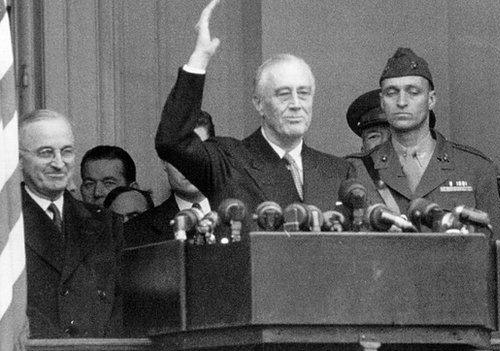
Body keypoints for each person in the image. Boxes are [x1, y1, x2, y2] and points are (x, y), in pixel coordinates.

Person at [345, 47, 500, 335]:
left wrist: (496, 340)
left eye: (413, 91)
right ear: (382, 101)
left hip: (456, 324)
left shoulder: (474, 168)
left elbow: (496, 271)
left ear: (431, 99)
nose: (402, 101)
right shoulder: (356, 170)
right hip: (380, 324)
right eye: (391, 93)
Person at [155, 0, 353, 216]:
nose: (296, 104)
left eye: (304, 93)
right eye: (283, 94)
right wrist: (199, 59)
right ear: (259, 103)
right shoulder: (227, 162)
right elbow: (172, 142)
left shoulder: (339, 171)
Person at [18, 109, 123, 338]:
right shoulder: (7, 225)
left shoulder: (106, 223)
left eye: (66, 152)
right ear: (20, 158)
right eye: (46, 153)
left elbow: (119, 306)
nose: (58, 163)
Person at [125, 114, 215, 247]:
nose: (189, 164)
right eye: (179, 154)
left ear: (214, 155)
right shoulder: (134, 233)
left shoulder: (244, 216)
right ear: (163, 162)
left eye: (199, 152)